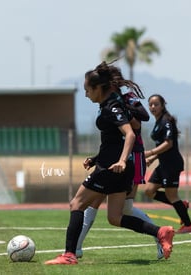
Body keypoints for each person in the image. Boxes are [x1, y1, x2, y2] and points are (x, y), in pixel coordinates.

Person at [44, 63, 174, 265]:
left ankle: (69, 254)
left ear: (98, 88)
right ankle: (160, 232)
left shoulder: (111, 107)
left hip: (110, 168)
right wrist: (96, 158)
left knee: (77, 203)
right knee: (115, 217)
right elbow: (115, 138)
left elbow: (130, 134)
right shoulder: (114, 103)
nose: (86, 94)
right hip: (117, 166)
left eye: (88, 90)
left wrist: (121, 160)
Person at [75, 65, 164, 260]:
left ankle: (159, 235)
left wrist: (127, 114)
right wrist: (97, 158)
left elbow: (141, 120)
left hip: (132, 156)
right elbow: (112, 140)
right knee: (93, 204)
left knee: (124, 209)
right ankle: (76, 249)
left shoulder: (124, 99)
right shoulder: (108, 103)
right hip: (114, 158)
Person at [144, 94, 191, 233]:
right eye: (151, 104)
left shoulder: (166, 121)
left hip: (172, 164)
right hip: (164, 164)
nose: (153, 107)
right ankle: (181, 205)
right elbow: (162, 145)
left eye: (156, 104)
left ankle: (189, 225)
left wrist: (150, 153)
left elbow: (168, 144)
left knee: (172, 195)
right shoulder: (158, 121)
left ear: (163, 105)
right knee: (149, 191)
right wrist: (153, 159)